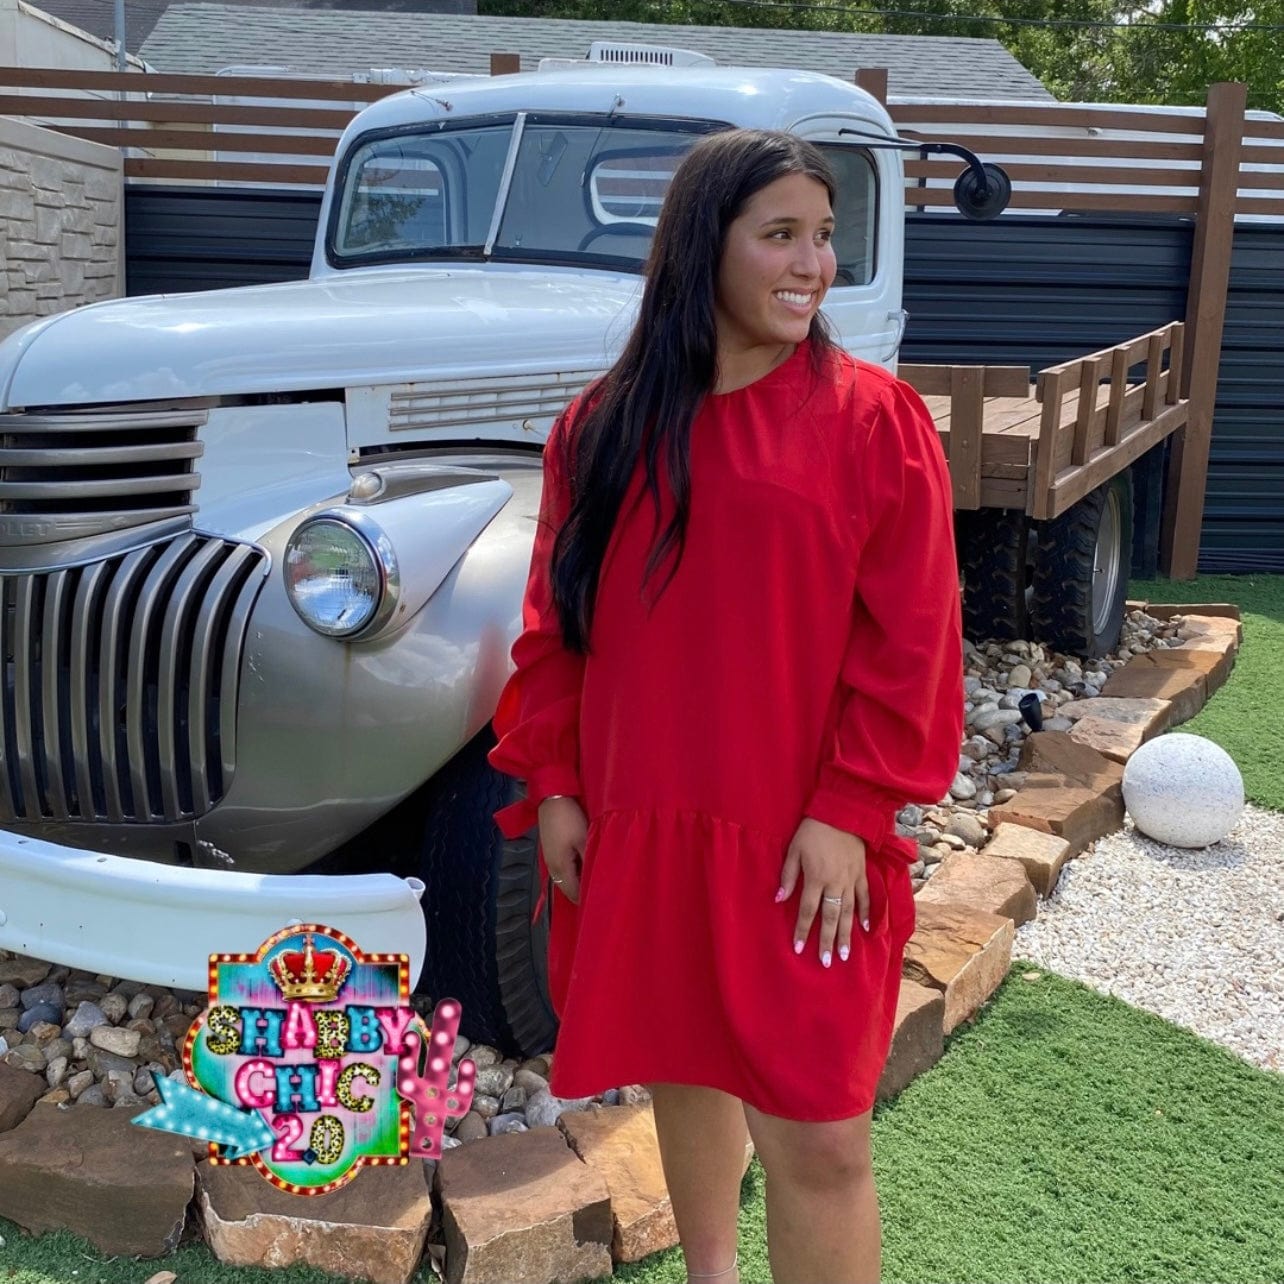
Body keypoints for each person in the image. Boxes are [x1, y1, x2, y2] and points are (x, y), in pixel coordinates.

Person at [488, 128, 963, 1284]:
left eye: (825, 237)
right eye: (782, 235)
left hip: (802, 839)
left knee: (822, 1141)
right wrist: (556, 783)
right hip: (645, 821)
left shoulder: (873, 422)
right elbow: (556, 622)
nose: (814, 265)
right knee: (684, 1065)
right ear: (705, 246)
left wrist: (851, 808)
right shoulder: (601, 425)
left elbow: (914, 641)